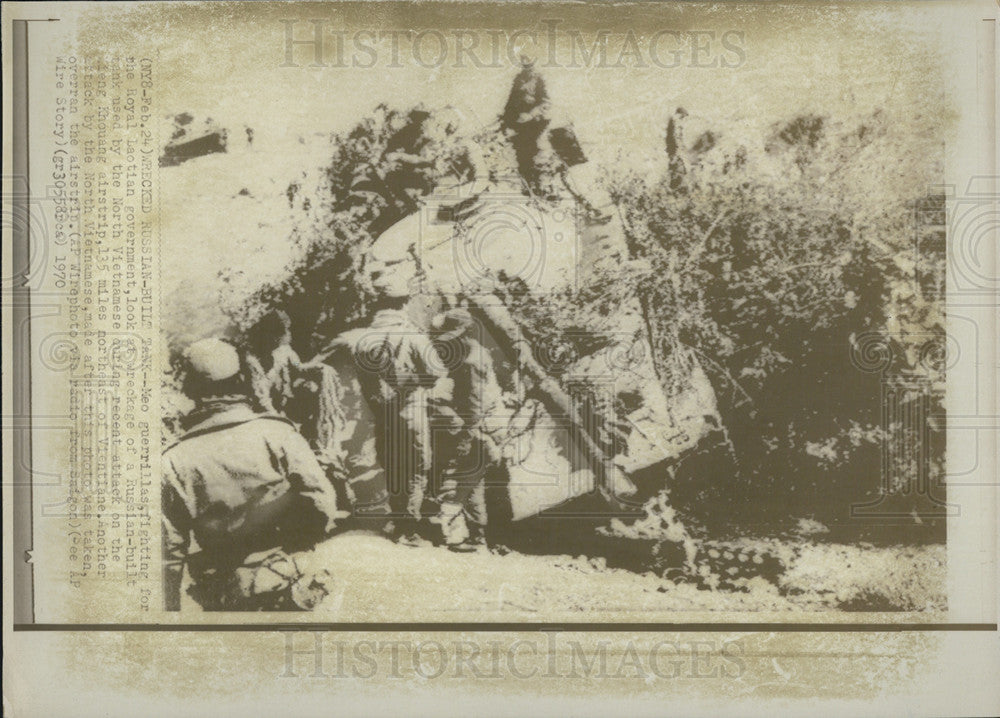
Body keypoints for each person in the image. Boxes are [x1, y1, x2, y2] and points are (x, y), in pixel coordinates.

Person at [161, 338, 346, 611]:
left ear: (190, 388)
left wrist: (170, 615)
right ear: (243, 380)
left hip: (225, 591)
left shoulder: (172, 460)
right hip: (291, 580)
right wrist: (301, 544)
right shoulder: (278, 433)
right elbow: (323, 503)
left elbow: (169, 555)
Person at [428, 308, 504, 551]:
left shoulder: (464, 357)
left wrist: (466, 430)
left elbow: (472, 398)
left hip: (467, 426)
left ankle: (448, 532)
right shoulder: (479, 352)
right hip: (482, 424)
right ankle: (477, 536)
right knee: (473, 479)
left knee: (454, 478)